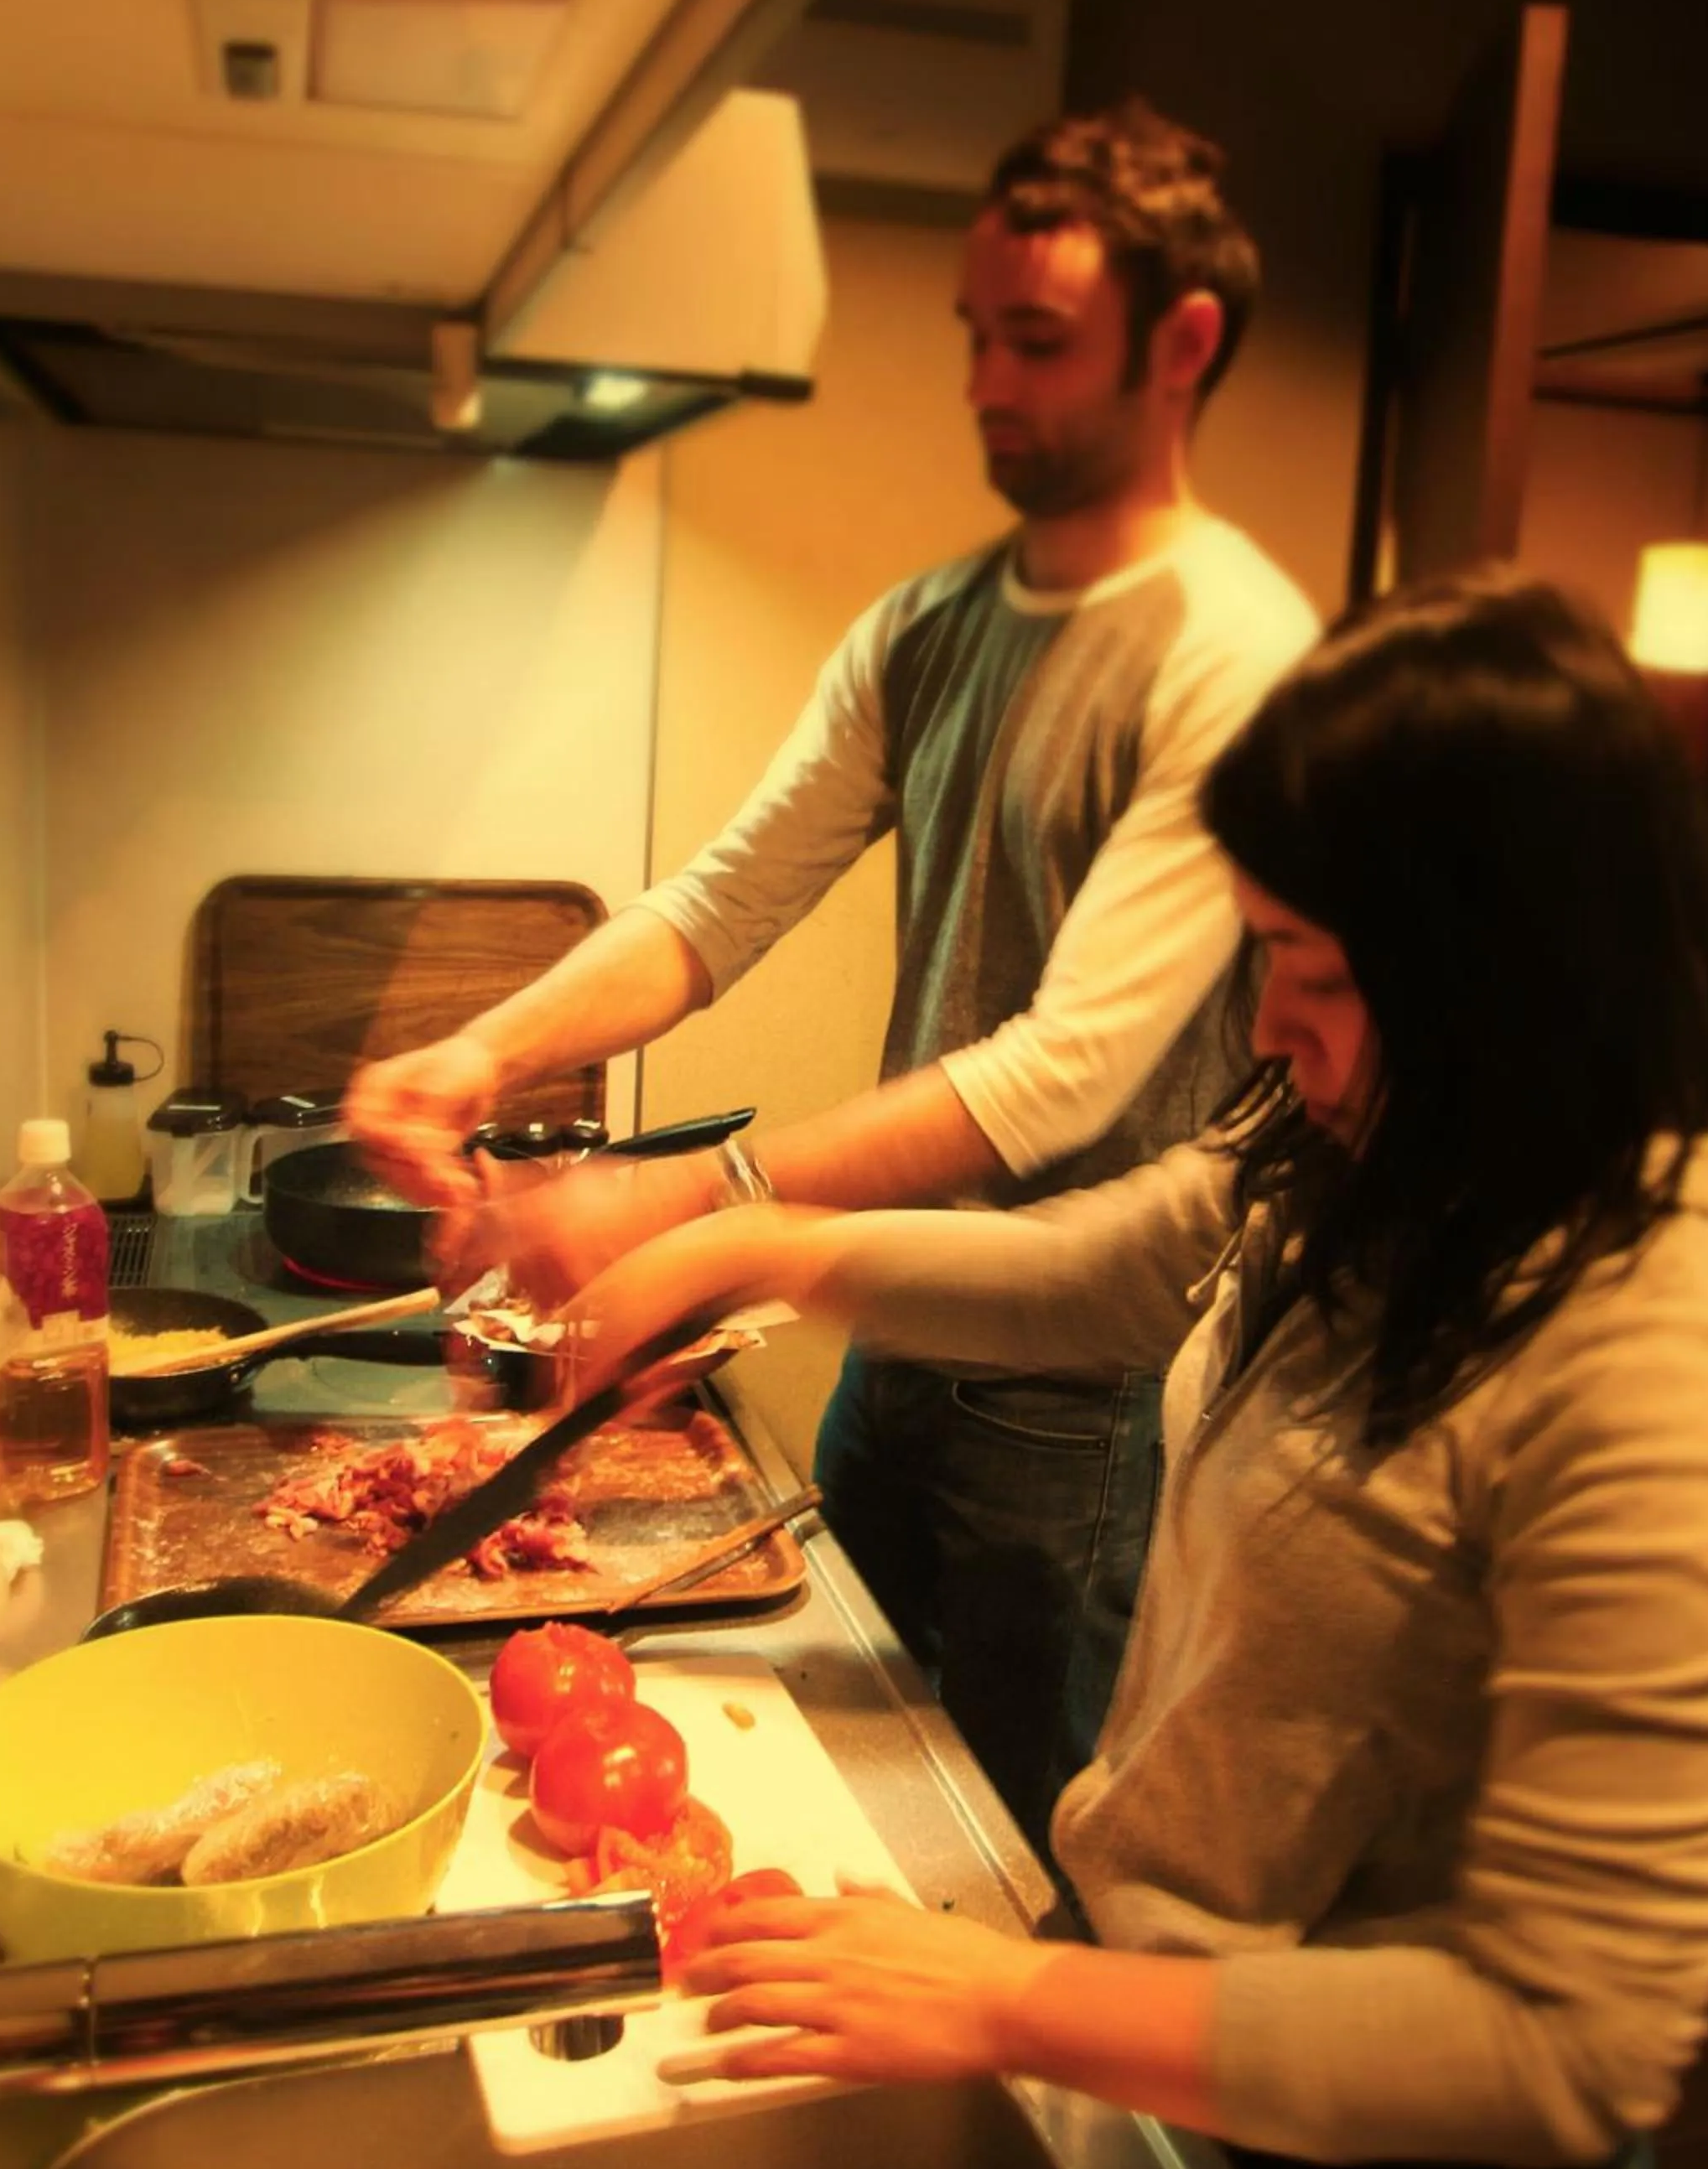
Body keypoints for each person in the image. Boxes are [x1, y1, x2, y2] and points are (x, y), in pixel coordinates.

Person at [548, 580, 1708, 2169]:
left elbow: (1571, 2046)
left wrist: (1009, 1998)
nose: (1270, 1023)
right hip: (1167, 2040)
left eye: (1315, 969)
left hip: (1394, 2168)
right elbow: (1105, 1268)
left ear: (1506, 970)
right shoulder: (1398, 1142)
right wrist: (756, 1247)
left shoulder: (1672, 1336)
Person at [347, 99, 1318, 1845]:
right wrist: (475, 1060)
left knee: (1017, 1838)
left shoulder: (1234, 656)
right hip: (898, 1318)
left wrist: (670, 1202)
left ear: (1182, 348)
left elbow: (1059, 1075)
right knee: (862, 1797)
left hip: (1079, 1383)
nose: (985, 385)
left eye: (1038, 342)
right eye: (976, 335)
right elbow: (718, 907)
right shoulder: (934, 625)